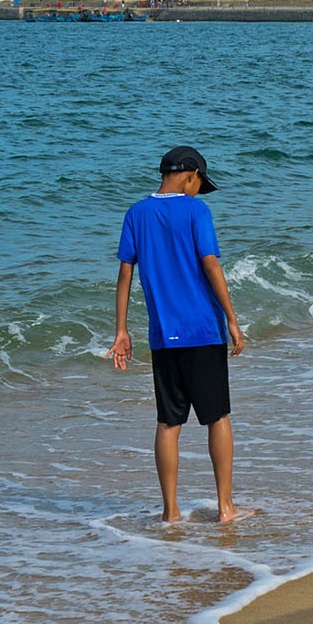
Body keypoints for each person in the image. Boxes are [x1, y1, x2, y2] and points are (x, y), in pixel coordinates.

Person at [111, 146, 248, 525]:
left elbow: (125, 274)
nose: (198, 191)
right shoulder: (196, 211)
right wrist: (232, 319)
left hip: (163, 335)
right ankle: (225, 508)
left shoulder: (136, 214)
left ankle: (170, 512)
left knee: (168, 422)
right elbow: (210, 263)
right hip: (203, 330)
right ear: (190, 175)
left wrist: (122, 330)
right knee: (217, 417)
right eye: (199, 184)